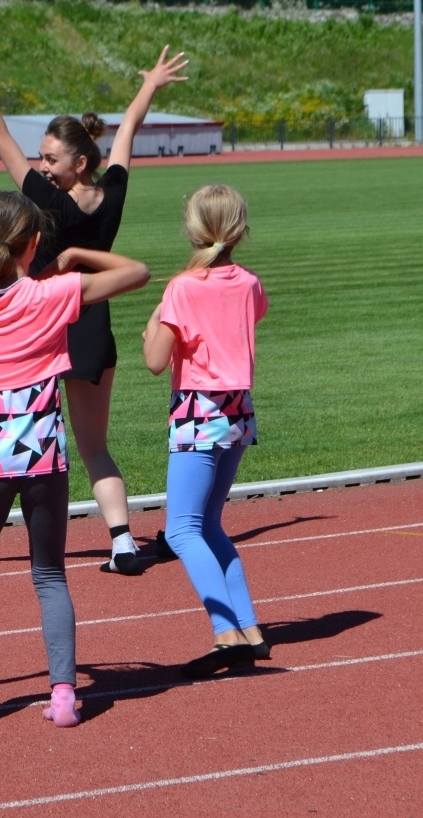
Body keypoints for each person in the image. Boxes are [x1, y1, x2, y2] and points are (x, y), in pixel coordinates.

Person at [0, 27, 187, 575]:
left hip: (43, 326)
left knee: (8, 428)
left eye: (51, 158)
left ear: (78, 163)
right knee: (94, 444)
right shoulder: (114, 192)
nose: (42, 166)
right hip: (94, 326)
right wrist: (149, 85)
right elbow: (130, 130)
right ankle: (123, 541)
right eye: (41, 159)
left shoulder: (45, 200)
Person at [0, 191, 150, 726]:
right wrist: (75, 257)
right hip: (43, 457)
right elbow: (138, 272)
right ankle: (63, 694)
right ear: (33, 243)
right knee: (50, 576)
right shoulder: (52, 293)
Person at [141, 184, 269, 679]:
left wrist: (156, 320)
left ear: (192, 229)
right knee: (210, 524)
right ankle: (250, 628)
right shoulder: (249, 282)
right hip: (238, 412)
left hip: (199, 411)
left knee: (181, 529)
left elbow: (154, 361)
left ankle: (225, 631)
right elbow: (250, 314)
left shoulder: (182, 288)